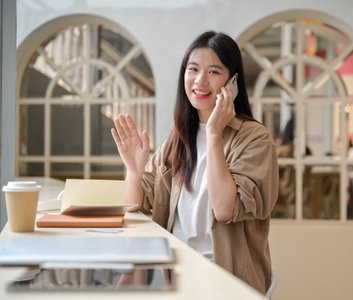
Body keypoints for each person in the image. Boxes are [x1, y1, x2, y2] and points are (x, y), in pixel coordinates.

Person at [111, 31, 278, 294]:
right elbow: (134, 208)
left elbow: (224, 208)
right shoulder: (177, 140)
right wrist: (134, 170)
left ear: (233, 82)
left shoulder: (254, 139)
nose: (200, 80)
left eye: (213, 72)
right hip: (180, 277)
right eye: (193, 69)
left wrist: (213, 134)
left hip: (230, 285)